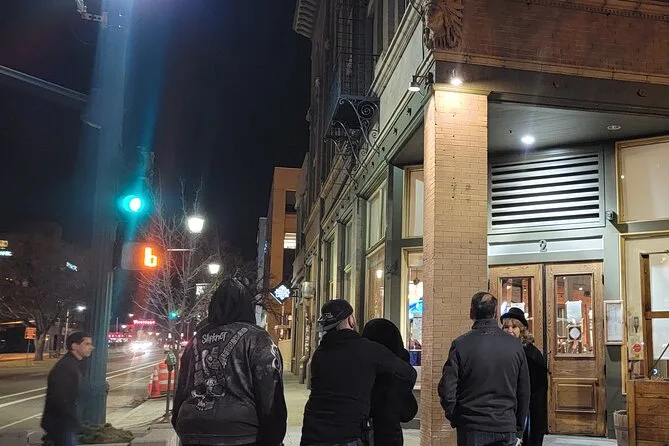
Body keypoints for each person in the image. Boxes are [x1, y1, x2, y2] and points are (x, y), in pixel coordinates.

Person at [172, 279, 287, 446]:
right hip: (239, 431)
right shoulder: (258, 338)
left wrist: (180, 420)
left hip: (192, 426)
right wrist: (273, 437)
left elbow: (181, 389)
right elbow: (270, 394)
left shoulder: (195, 341)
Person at [301, 299, 417, 446]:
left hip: (312, 433)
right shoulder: (368, 350)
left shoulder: (319, 354)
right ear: (351, 320)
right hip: (346, 435)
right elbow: (408, 373)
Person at [439, 292, 530, 446]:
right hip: (505, 425)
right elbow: (524, 391)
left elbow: (447, 388)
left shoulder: (461, 344)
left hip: (472, 425)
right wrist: (518, 428)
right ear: (496, 313)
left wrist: (456, 417)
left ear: (471, 312)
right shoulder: (515, 345)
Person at [361, 319, 418, 446]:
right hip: (389, 437)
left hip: (358, 436)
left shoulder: (358, 370)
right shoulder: (399, 374)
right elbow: (407, 413)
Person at [501, 308, 548, 446]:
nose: (510, 330)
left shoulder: (531, 354)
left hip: (527, 410)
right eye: (506, 327)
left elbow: (537, 390)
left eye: (514, 327)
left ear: (521, 329)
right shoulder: (501, 350)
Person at [42, 331, 95, 446]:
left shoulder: (76, 363)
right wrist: (72, 418)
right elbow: (60, 397)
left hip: (65, 422)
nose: (92, 347)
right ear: (74, 346)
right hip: (62, 423)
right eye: (87, 344)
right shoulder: (66, 367)